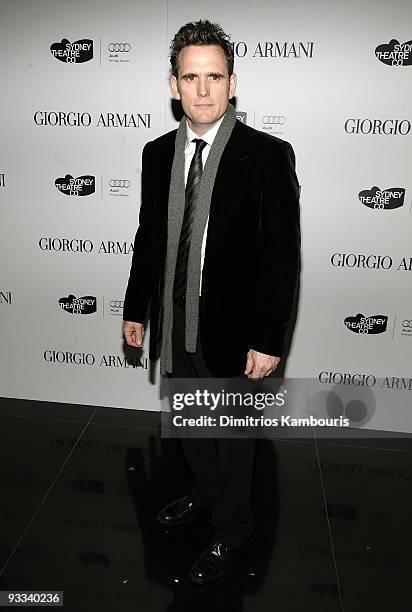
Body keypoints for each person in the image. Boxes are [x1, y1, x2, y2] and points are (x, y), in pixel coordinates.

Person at [123, 19, 300, 584]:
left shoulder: (267, 155)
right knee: (190, 425)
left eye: (214, 77)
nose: (203, 90)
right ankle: (203, 493)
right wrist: (135, 309)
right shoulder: (156, 155)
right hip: (175, 319)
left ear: (233, 83)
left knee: (233, 436)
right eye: (191, 77)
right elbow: (149, 237)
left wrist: (270, 338)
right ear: (173, 85)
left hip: (233, 328)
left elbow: (282, 258)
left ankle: (234, 530)